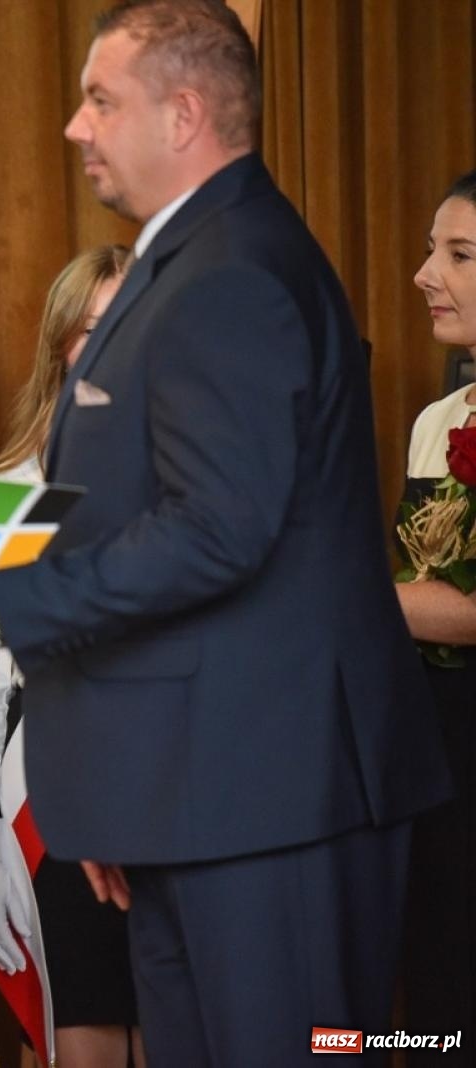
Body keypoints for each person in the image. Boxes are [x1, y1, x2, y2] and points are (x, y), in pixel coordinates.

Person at [0, 3, 449, 1063]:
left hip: (267, 796)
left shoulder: (233, 274)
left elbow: (217, 532)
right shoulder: (183, 264)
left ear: (185, 113)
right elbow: (128, 514)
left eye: (100, 101)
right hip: (195, 795)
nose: (74, 126)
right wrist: (123, 801)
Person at [0, 245, 144, 1068]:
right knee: (83, 1030)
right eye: (89, 329)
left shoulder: (197, 479)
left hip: (182, 791)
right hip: (53, 795)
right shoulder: (1, 491)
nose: (108, 346)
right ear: (58, 345)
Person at [397, 168, 476, 1062]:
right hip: (434, 743)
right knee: (434, 999)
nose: (424, 272)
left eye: (457, 253)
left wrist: (325, 591)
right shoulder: (437, 422)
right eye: (429, 248)